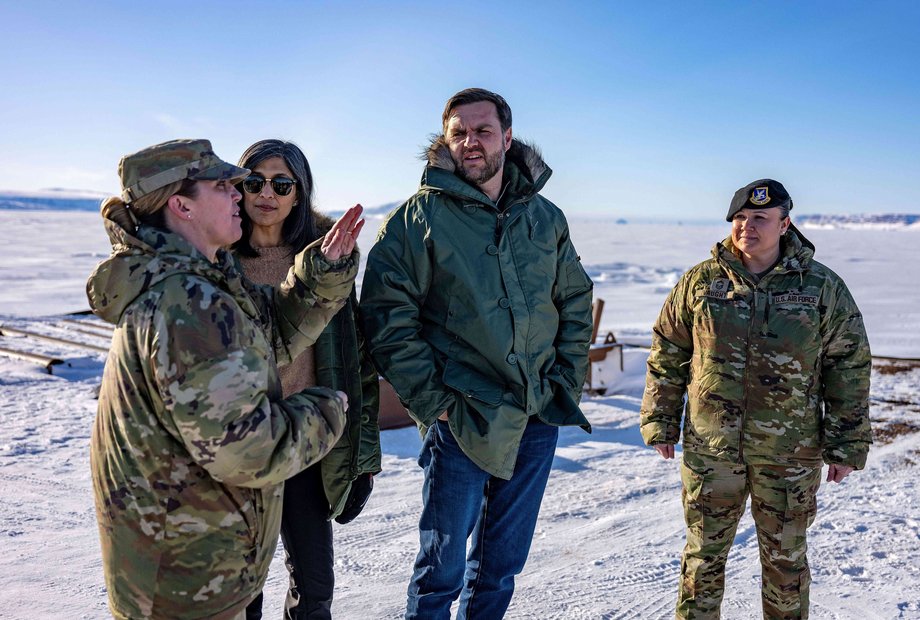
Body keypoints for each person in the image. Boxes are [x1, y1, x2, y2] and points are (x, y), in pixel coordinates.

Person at [87, 138, 365, 620]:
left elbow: (271, 333)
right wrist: (324, 411)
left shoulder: (198, 281)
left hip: (193, 555)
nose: (242, 194)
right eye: (226, 185)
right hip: (187, 576)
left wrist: (320, 276)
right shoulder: (187, 304)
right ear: (181, 206)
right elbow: (247, 451)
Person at [360, 88, 594, 619]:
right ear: (445, 141)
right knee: (439, 572)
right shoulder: (417, 220)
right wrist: (433, 400)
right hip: (462, 416)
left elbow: (574, 299)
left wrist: (565, 378)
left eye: (483, 131)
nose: (471, 142)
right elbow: (386, 317)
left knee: (501, 567)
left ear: (507, 139)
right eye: (459, 132)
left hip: (536, 411)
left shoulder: (544, 217)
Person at [640, 179, 872, 619]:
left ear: (785, 224)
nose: (747, 226)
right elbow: (668, 350)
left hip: (790, 454)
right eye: (740, 218)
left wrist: (847, 443)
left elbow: (849, 365)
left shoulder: (820, 287)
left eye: (760, 218)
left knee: (785, 565)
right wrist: (660, 418)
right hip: (712, 450)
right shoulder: (701, 282)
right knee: (702, 559)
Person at [233, 139, 381, 620]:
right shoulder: (219, 263)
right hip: (240, 447)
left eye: (281, 183)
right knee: (239, 590)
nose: (266, 194)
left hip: (306, 441)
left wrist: (363, 457)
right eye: (254, 181)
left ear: (299, 193)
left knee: (314, 586)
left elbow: (355, 360)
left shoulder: (326, 264)